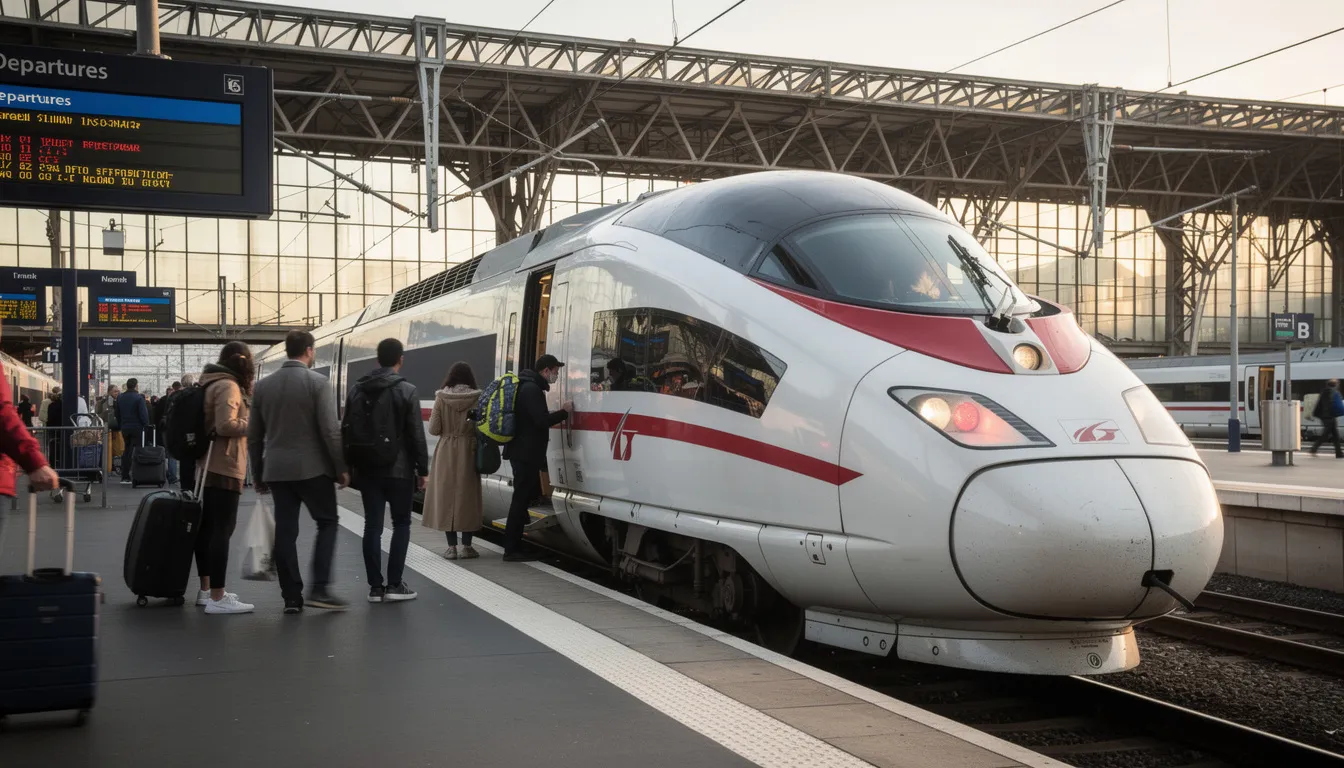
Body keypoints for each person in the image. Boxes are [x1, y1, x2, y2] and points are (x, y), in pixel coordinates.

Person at [248, 331, 349, 613]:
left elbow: (254, 436)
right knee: (327, 522)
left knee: (286, 531)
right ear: (308, 350)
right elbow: (330, 431)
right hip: (313, 469)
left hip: (277, 471)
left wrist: (257, 473)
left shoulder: (263, 387)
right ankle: (320, 589)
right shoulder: (318, 383)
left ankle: (291, 597)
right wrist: (341, 468)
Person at [343, 338, 428, 603]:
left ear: (377, 360)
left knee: (372, 525)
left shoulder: (357, 390)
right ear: (400, 359)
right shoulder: (407, 390)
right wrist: (422, 469)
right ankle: (394, 585)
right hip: (399, 470)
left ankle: (375, 588)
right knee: (402, 523)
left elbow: (345, 430)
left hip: (367, 469)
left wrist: (347, 466)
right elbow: (415, 434)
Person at [193, 343, 255, 615]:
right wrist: (256, 423)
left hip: (209, 465)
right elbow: (225, 425)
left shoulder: (212, 382)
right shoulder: (228, 386)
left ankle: (207, 591)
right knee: (222, 530)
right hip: (224, 465)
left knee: (208, 530)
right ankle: (218, 597)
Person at [501, 354, 572, 562]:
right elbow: (541, 421)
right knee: (519, 501)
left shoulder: (529, 386)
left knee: (521, 500)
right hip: (525, 454)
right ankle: (511, 550)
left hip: (524, 453)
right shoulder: (532, 389)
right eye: (555, 371)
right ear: (545, 370)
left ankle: (515, 545)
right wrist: (564, 413)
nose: (556, 375)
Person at [423, 361, 483, 561]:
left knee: (447, 496)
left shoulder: (441, 397)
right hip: (469, 450)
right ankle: (467, 547)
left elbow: (433, 429)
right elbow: (481, 426)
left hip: (446, 450)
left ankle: (451, 548)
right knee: (468, 497)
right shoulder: (477, 397)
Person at [116, 378, 149, 485]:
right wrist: (146, 425)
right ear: (136, 386)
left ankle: (125, 476)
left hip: (125, 428)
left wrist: (121, 424)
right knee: (138, 451)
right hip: (137, 428)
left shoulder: (120, 397)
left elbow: (117, 414)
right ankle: (138, 475)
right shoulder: (139, 398)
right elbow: (143, 415)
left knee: (127, 451)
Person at [1310, 379, 1344, 458]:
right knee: (1326, 435)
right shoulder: (1331, 393)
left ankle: (1339, 453)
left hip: (1329, 416)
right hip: (1328, 417)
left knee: (1335, 435)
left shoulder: (1325, 392)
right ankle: (1313, 449)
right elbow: (1329, 406)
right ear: (1335, 385)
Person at [158, 381, 183, 485]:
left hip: (167, 428)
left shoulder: (167, 399)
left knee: (170, 453)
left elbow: (162, 413)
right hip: (179, 428)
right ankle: (175, 476)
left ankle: (172, 476)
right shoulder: (184, 396)